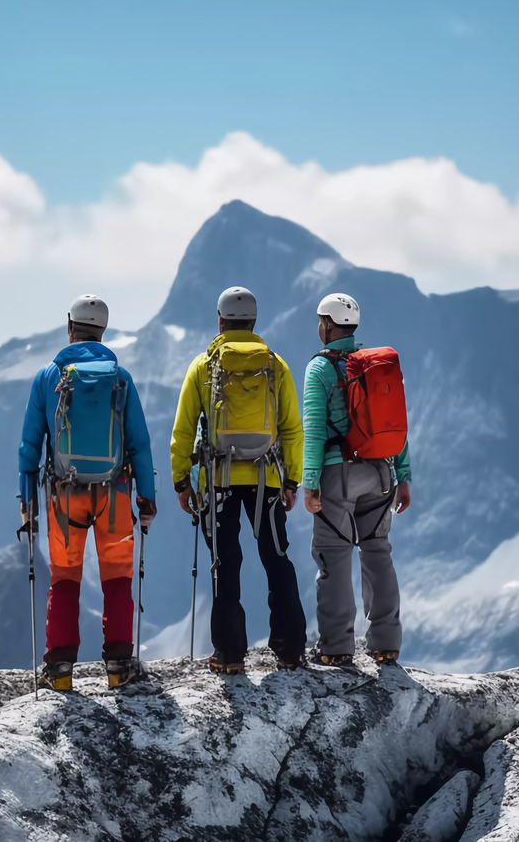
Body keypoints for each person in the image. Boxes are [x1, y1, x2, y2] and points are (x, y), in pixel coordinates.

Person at [18, 294, 157, 691]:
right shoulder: (120, 378)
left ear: (70, 327)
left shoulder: (50, 376)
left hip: (64, 496)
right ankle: (117, 668)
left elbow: (30, 445)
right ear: (103, 331)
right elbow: (139, 444)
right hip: (115, 494)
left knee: (64, 578)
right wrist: (146, 499)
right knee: (117, 579)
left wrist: (27, 501)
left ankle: (60, 672)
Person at [170, 286, 306, 674]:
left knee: (224, 562)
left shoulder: (204, 366)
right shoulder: (275, 365)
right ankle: (291, 650)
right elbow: (292, 429)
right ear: (254, 322)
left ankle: (229, 655)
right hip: (267, 478)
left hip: (219, 480)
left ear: (220, 321)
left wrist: (183, 481)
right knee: (276, 558)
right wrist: (292, 479)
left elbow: (182, 432)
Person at [302, 293, 410, 667]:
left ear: (328, 325)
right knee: (377, 550)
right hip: (381, 473)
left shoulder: (320, 369)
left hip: (338, 474)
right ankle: (386, 643)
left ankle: (335, 646)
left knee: (334, 555)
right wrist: (405, 476)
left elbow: (314, 431)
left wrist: (310, 482)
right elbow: (396, 423)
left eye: (320, 321)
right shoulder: (373, 366)